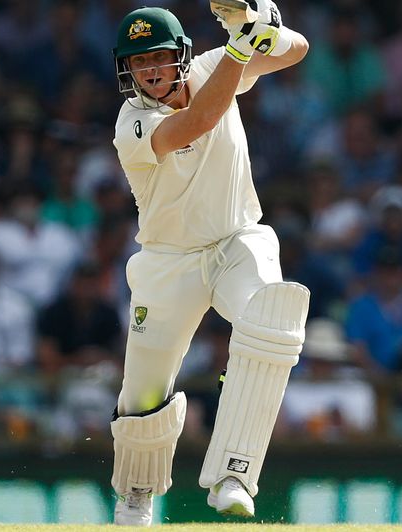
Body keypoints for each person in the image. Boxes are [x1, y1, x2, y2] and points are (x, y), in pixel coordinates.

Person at [107, 3, 310, 525]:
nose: (150, 71)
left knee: (272, 318)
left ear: (180, 55)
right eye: (138, 62)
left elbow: (297, 51)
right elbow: (197, 122)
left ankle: (234, 473)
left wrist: (261, 23)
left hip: (236, 241)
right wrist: (240, 49)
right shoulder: (132, 123)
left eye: (157, 57)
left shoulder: (213, 65)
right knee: (144, 391)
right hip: (168, 262)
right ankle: (136, 491)